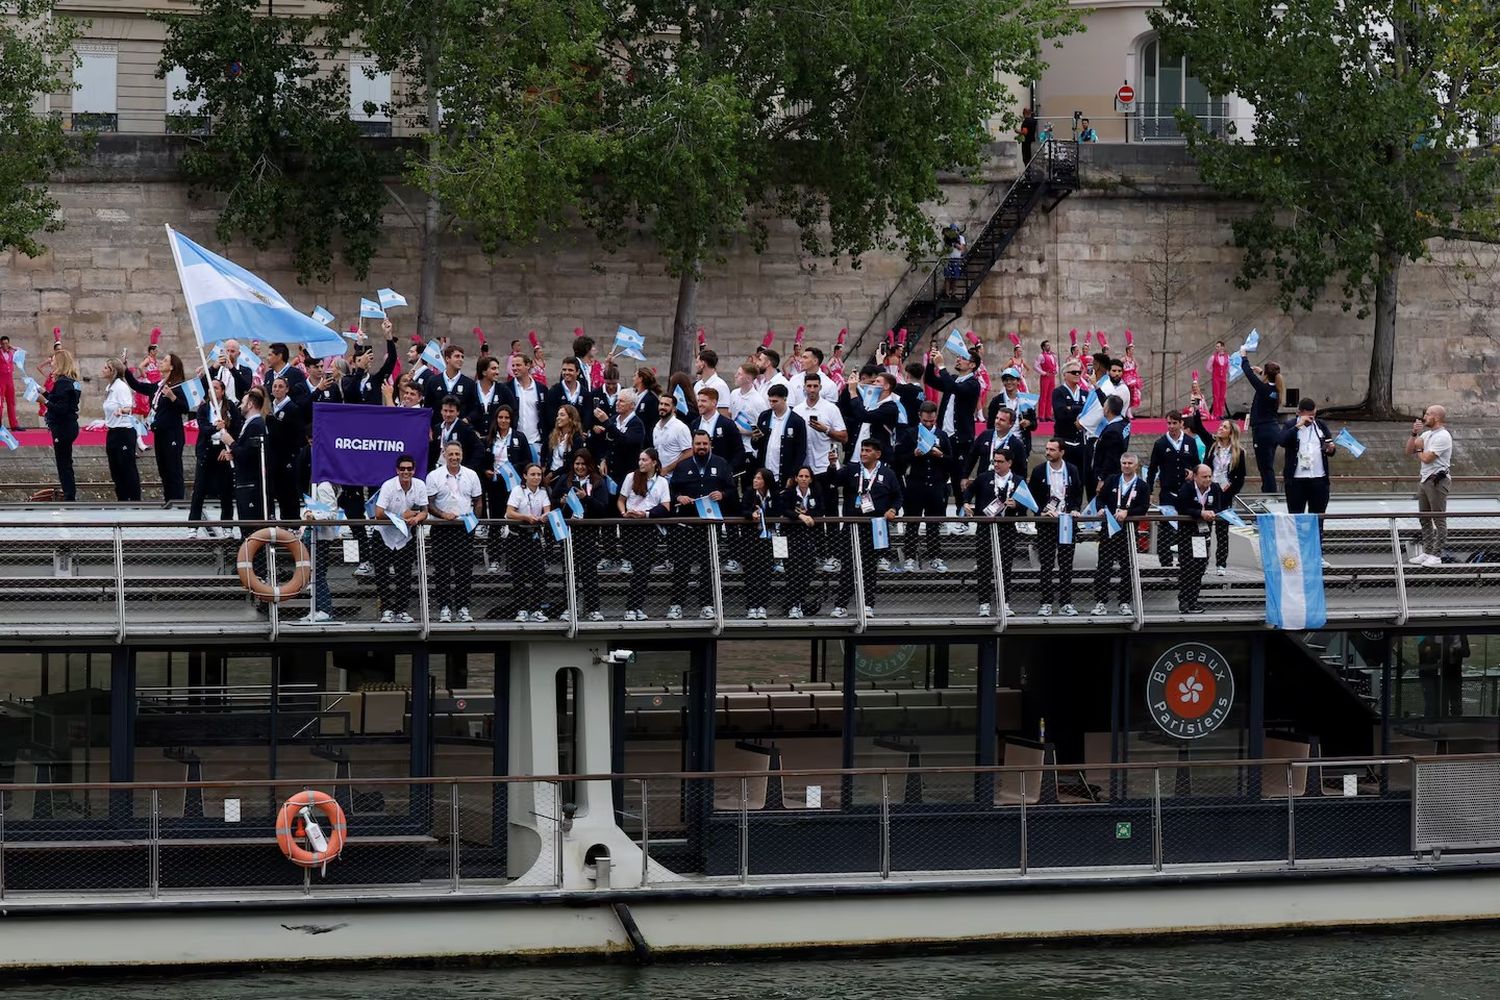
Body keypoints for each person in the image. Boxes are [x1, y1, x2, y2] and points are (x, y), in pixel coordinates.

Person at [668, 430, 737, 620]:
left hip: (709, 526)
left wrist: (722, 495)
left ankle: (706, 605)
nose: (701, 447)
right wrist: (679, 497)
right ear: (692, 445)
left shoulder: (721, 464)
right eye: (698, 444)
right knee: (681, 566)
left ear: (710, 444)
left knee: (708, 567)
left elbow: (732, 490)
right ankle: (676, 605)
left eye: (704, 444)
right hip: (687, 526)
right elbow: (671, 490)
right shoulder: (682, 466)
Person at [830, 439, 902, 618]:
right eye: (862, 450)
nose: (863, 453)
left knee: (870, 568)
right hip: (852, 526)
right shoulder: (852, 469)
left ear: (877, 454)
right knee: (847, 566)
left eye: (868, 450)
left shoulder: (888, 473)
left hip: (875, 527)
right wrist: (832, 464)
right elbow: (835, 480)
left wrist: (893, 509)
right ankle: (841, 605)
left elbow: (898, 496)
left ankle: (868, 604)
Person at [427, 441, 484, 624]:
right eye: (450, 454)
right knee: (442, 569)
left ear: (462, 455)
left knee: (464, 569)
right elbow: (428, 503)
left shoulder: (471, 475)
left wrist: (473, 523)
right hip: (441, 527)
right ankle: (444, 607)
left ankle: (462, 607)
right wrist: (442, 514)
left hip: (464, 528)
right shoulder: (434, 476)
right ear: (444, 454)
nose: (454, 458)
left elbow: (478, 501)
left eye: (457, 454)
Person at [124, 352, 191, 503]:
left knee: (173, 469)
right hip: (160, 433)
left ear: (172, 367)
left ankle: (177, 502)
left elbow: (185, 408)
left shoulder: (178, 386)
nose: (161, 362)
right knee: (164, 469)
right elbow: (138, 386)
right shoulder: (159, 386)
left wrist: (173, 397)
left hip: (172, 434)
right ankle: (169, 500)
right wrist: (126, 369)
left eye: (165, 361)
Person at [895, 401, 953, 572]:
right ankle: (910, 557)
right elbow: (898, 459)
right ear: (920, 417)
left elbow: (951, 462)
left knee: (933, 522)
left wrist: (940, 455)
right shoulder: (910, 434)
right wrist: (914, 454)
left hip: (935, 484)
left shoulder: (942, 436)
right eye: (926, 421)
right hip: (915, 484)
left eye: (932, 422)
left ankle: (935, 556)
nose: (929, 425)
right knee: (912, 522)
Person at [553, 450, 611, 621]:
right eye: (577, 464)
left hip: (588, 533)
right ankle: (569, 608)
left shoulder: (598, 481)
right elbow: (552, 499)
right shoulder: (565, 479)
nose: (579, 467)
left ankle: (593, 609)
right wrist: (561, 502)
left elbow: (603, 507)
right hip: (569, 533)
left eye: (583, 464)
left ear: (589, 465)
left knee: (589, 572)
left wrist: (586, 498)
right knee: (569, 572)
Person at [1187, 407, 1245, 575]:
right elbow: (1199, 427)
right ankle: (1200, 562)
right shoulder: (1212, 445)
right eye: (1220, 426)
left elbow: (1240, 478)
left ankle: (1221, 564)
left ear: (1231, 433)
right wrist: (1197, 409)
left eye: (1224, 427)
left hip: (1225, 494)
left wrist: (1229, 493)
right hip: (1206, 491)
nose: (1220, 428)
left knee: (1222, 531)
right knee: (1202, 529)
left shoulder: (1238, 452)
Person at [964, 449, 1022, 617]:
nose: (996, 464)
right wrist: (967, 503)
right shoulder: (984, 477)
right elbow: (968, 491)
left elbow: (1028, 505)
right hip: (985, 527)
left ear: (1009, 463)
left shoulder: (1017, 481)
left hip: (1007, 529)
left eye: (1000, 461)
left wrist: (1016, 506)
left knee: (1005, 568)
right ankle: (984, 604)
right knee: (984, 567)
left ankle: (1004, 603)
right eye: (994, 461)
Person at [1027, 437, 1082, 616]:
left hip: (1066, 521)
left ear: (1061, 452)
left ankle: (1066, 602)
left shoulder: (1072, 470)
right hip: (1047, 523)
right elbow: (1032, 497)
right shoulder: (1039, 471)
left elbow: (1077, 494)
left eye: (1052, 449)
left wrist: (1074, 509)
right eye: (1047, 449)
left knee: (1066, 564)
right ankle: (1046, 602)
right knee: (1047, 564)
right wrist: (1040, 513)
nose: (1048, 452)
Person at [1091, 453, 1150, 616]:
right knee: (1104, 565)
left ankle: (1124, 602)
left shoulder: (1142, 485)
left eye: (1130, 463)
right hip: (1109, 529)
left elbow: (1143, 507)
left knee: (1127, 567)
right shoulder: (1112, 480)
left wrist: (1127, 512)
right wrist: (1101, 508)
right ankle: (1100, 602)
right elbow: (1100, 498)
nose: (1126, 466)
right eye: (1124, 463)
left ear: (1136, 465)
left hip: (1129, 531)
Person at [373, 454, 428, 624]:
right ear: (397, 470)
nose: (406, 472)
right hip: (383, 535)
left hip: (405, 536)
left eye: (409, 469)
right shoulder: (388, 486)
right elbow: (378, 513)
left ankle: (401, 610)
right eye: (402, 469)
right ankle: (387, 610)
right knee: (382, 574)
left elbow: (424, 511)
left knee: (404, 574)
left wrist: (416, 519)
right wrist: (401, 517)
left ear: (414, 470)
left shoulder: (419, 485)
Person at [480, 405, 533, 574]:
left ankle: (515, 560)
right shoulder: (489, 439)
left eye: (507, 418)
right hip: (495, 485)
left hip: (514, 485)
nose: (503, 421)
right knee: (495, 521)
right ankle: (494, 558)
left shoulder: (519, 437)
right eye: (501, 417)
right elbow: (483, 461)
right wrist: (486, 471)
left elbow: (527, 461)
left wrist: (511, 468)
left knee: (515, 521)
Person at [618, 448, 671, 620]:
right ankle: (631, 608)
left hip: (649, 527)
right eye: (640, 459)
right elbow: (621, 500)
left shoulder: (662, 482)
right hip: (631, 528)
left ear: (654, 462)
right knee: (640, 564)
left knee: (645, 568)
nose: (641, 463)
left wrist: (646, 514)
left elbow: (665, 507)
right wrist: (624, 513)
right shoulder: (630, 477)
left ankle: (636, 607)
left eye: (644, 460)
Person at [1145, 410, 1199, 567]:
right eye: (1169, 423)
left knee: (1188, 526)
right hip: (1168, 491)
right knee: (1166, 527)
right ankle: (1166, 562)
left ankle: (1186, 560)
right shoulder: (1160, 443)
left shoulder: (1190, 442)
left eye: (1175, 423)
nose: (1172, 426)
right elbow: (1153, 469)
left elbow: (1196, 463)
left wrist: (1192, 474)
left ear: (1181, 423)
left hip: (1186, 491)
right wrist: (1149, 491)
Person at [188, 377, 238, 536]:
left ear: (222, 391)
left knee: (226, 490)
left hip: (223, 451)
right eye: (210, 388)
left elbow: (236, 427)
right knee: (199, 490)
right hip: (207, 451)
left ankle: (227, 526)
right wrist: (215, 427)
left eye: (216, 388)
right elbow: (203, 428)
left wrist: (228, 447)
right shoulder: (203, 408)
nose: (213, 390)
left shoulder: (230, 408)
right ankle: (193, 526)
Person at [1407, 404, 1452, 566]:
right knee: (1424, 518)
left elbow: (1427, 458)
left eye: (1428, 414)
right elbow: (1409, 450)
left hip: (1437, 481)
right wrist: (1414, 434)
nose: (1424, 417)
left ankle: (1437, 554)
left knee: (1438, 518)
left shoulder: (1443, 436)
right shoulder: (1426, 434)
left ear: (1437, 417)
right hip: (1425, 479)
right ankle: (1427, 551)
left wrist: (1419, 450)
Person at [1175, 464, 1222, 614]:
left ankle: (1193, 600)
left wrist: (1212, 512)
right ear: (1195, 476)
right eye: (1204, 477)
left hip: (1202, 536)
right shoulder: (1186, 488)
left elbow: (1219, 506)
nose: (1208, 479)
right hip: (1186, 534)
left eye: (1209, 476)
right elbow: (1182, 508)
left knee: (1199, 567)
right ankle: (1184, 601)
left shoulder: (1214, 488)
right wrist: (1199, 513)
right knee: (1187, 567)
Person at [779, 466, 824, 618]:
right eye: (801, 476)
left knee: (808, 571)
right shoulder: (789, 493)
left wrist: (809, 515)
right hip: (788, 538)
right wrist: (800, 516)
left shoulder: (815, 493)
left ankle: (795, 602)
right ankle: (793, 606)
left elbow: (820, 510)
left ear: (811, 479)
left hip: (808, 539)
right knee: (791, 572)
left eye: (806, 476)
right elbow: (784, 509)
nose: (804, 478)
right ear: (796, 478)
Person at [298, 476, 342, 624]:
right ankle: (316, 609)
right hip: (312, 534)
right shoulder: (316, 484)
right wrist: (306, 514)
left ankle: (325, 609)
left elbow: (331, 513)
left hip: (320, 536)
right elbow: (308, 507)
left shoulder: (324, 486)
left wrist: (313, 516)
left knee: (317, 573)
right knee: (313, 574)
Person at [1281, 397, 1334, 518]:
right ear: (1300, 412)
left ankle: (1317, 537)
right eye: (1308, 415)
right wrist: (1299, 425)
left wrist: (1330, 449)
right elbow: (1282, 441)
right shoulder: (1290, 425)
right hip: (1297, 480)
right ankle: (1298, 537)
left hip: (1318, 478)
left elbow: (1328, 445)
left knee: (1317, 517)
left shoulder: (1320, 425)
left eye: (1313, 415)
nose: (1311, 418)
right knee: (1296, 517)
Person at [1240, 351, 1284, 492]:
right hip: (1273, 430)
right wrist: (1262, 373)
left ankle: (1270, 494)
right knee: (1268, 465)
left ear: (1266, 374)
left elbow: (1248, 373)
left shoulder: (1264, 389)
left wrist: (1244, 356)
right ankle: (1268, 492)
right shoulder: (1275, 390)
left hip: (1263, 431)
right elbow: (1267, 381)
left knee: (1264, 467)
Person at [741, 468, 782, 619]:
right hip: (751, 539)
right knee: (751, 573)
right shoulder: (749, 493)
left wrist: (764, 512)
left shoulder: (775, 495)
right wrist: (751, 514)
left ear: (766, 481)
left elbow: (778, 511)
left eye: (759, 478)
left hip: (769, 538)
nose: (755, 481)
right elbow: (743, 510)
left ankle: (763, 606)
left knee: (765, 573)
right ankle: (751, 606)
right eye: (755, 478)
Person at [42, 348, 81, 502]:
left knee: (63, 463)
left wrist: (44, 401)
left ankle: (69, 496)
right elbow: (58, 400)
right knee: (66, 461)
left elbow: (61, 408)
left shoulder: (63, 383)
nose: (51, 363)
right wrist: (44, 392)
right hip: (70, 426)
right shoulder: (72, 382)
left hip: (63, 427)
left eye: (53, 361)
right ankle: (69, 493)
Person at [265, 375, 305, 520]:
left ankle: (292, 524)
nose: (277, 389)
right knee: (274, 491)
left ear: (287, 389)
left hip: (287, 459)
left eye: (280, 386)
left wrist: (292, 457)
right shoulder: (269, 408)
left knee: (288, 493)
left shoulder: (292, 408)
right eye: (275, 386)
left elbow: (298, 435)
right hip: (273, 458)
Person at [101, 358, 142, 502]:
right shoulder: (109, 388)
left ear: (113, 371)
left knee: (127, 467)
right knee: (115, 468)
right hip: (113, 431)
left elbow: (128, 408)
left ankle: (135, 500)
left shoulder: (121, 387)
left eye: (106, 367)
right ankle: (122, 498)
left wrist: (121, 411)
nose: (103, 369)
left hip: (124, 431)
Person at [752, 383, 807, 488]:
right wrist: (755, 438)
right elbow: (757, 445)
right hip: (765, 472)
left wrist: (793, 475)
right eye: (770, 401)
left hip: (784, 473)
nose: (772, 404)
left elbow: (801, 451)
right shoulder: (765, 416)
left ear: (784, 399)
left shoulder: (796, 421)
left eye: (775, 401)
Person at [601, 388, 645, 490]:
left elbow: (625, 442)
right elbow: (607, 444)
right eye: (617, 400)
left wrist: (607, 423)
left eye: (622, 401)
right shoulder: (613, 420)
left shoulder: (636, 424)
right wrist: (604, 459)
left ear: (632, 405)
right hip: (609, 474)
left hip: (626, 475)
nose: (617, 403)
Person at [1051, 360, 1088, 480]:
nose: (1077, 374)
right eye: (1073, 372)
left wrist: (1071, 407)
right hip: (1064, 441)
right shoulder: (1058, 392)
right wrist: (1079, 409)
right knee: (1064, 478)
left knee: (1080, 479)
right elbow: (1060, 413)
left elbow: (1089, 412)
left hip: (1081, 442)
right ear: (1065, 374)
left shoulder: (1084, 393)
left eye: (1079, 372)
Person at [542, 356, 591, 440]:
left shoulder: (585, 393)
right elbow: (550, 417)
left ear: (578, 372)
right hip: (558, 438)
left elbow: (587, 417)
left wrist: (579, 432)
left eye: (570, 370)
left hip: (578, 438)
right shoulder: (554, 391)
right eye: (564, 370)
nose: (566, 372)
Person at [542, 403, 587, 488]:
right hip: (549, 473)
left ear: (571, 418)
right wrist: (543, 466)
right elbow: (543, 450)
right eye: (558, 415)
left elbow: (571, 463)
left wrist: (553, 474)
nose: (558, 418)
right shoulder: (553, 435)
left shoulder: (577, 439)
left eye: (562, 415)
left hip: (564, 476)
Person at [1091, 396, 1128, 497]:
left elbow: (1110, 458)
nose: (1103, 408)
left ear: (1107, 410)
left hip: (1109, 477)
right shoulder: (1124, 422)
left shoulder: (1112, 431)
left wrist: (1102, 479)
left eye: (1104, 406)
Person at [432, 395, 481, 471]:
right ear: (441, 411)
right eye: (445, 410)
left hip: (458, 471)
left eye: (451, 411)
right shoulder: (437, 428)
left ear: (458, 412)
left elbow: (479, 449)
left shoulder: (465, 428)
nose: (448, 414)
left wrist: (469, 468)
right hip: (439, 469)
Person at [508, 353, 546, 445]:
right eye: (513, 365)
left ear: (528, 365)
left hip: (536, 441)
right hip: (514, 442)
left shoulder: (541, 389)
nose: (514, 368)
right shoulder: (507, 388)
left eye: (518, 365)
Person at [693, 350, 732, 417]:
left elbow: (724, 414)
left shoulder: (720, 385)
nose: (695, 365)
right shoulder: (697, 385)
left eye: (697, 362)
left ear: (703, 363)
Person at [1035, 340, 1057, 421]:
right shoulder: (1041, 356)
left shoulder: (1053, 355)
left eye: (1049, 345)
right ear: (1043, 347)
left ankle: (1048, 415)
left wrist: (1056, 370)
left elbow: (1056, 364)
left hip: (1052, 377)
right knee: (1044, 396)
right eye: (1047, 345)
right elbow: (1035, 366)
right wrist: (1043, 373)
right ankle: (1041, 415)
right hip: (1045, 377)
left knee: (1050, 396)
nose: (1049, 346)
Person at [0, 335, 18, 431]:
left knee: (11, 402)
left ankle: (14, 425)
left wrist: (13, 348)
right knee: (0, 403)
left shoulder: (11, 353)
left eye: (6, 343)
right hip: (1, 380)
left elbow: (22, 353)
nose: (5, 345)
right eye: (3, 344)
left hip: (9, 380)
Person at [1209, 341, 1231, 418]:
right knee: (1216, 396)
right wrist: (1215, 372)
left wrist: (1225, 373)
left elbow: (1228, 367)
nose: (1216, 348)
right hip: (1216, 378)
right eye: (1216, 347)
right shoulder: (1213, 357)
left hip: (1223, 378)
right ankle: (1216, 414)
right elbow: (1208, 368)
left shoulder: (1227, 357)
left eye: (1218, 346)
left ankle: (1221, 413)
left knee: (1222, 396)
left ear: (1222, 347)